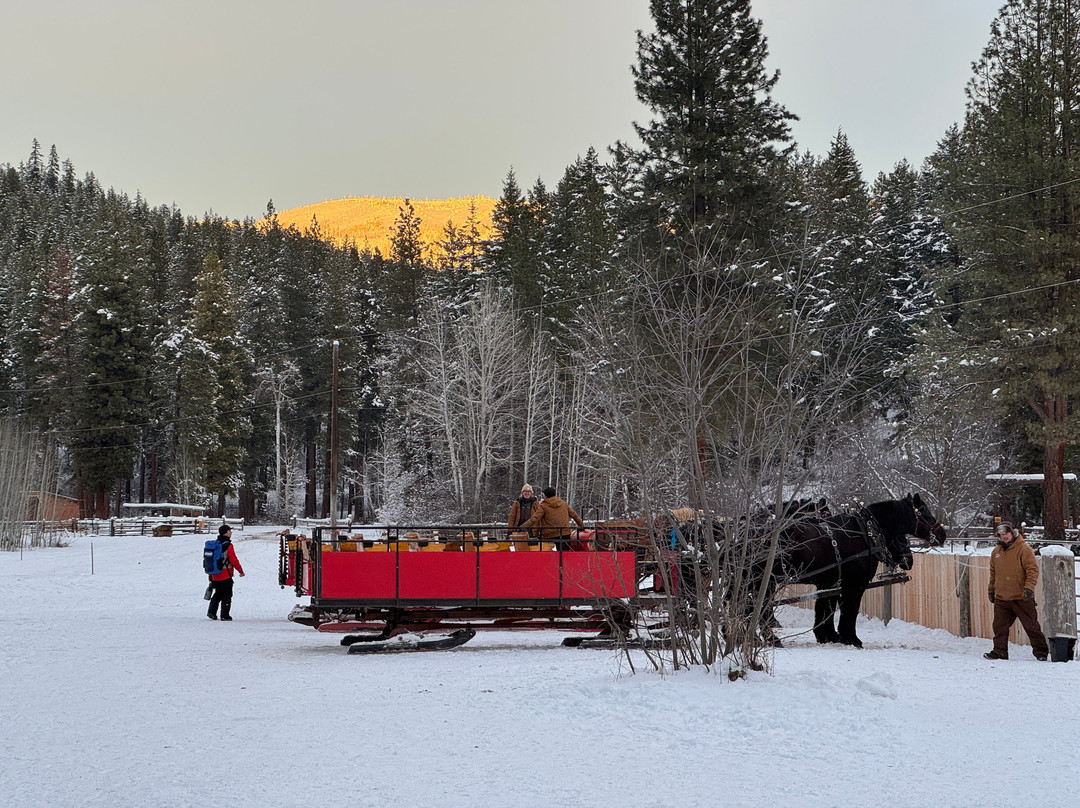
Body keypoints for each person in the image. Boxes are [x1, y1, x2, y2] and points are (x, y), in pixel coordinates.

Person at [984, 522, 1048, 661]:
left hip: (1021, 596)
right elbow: (993, 572)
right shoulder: (996, 552)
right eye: (1000, 535)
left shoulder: (1024, 549)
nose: (1004, 537)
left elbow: (1032, 570)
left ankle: (1041, 652)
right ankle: (999, 651)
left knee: (1031, 626)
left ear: (1012, 533)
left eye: (1006, 534)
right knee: (999, 627)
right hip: (1002, 596)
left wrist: (1029, 588)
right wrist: (991, 589)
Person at [208, 524, 245, 621]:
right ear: (226, 532)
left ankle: (211, 612)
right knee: (227, 595)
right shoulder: (228, 546)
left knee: (218, 594)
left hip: (214, 574)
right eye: (229, 531)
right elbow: (233, 560)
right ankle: (225, 615)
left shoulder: (215, 544)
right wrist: (240, 571)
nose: (231, 532)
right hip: (225, 574)